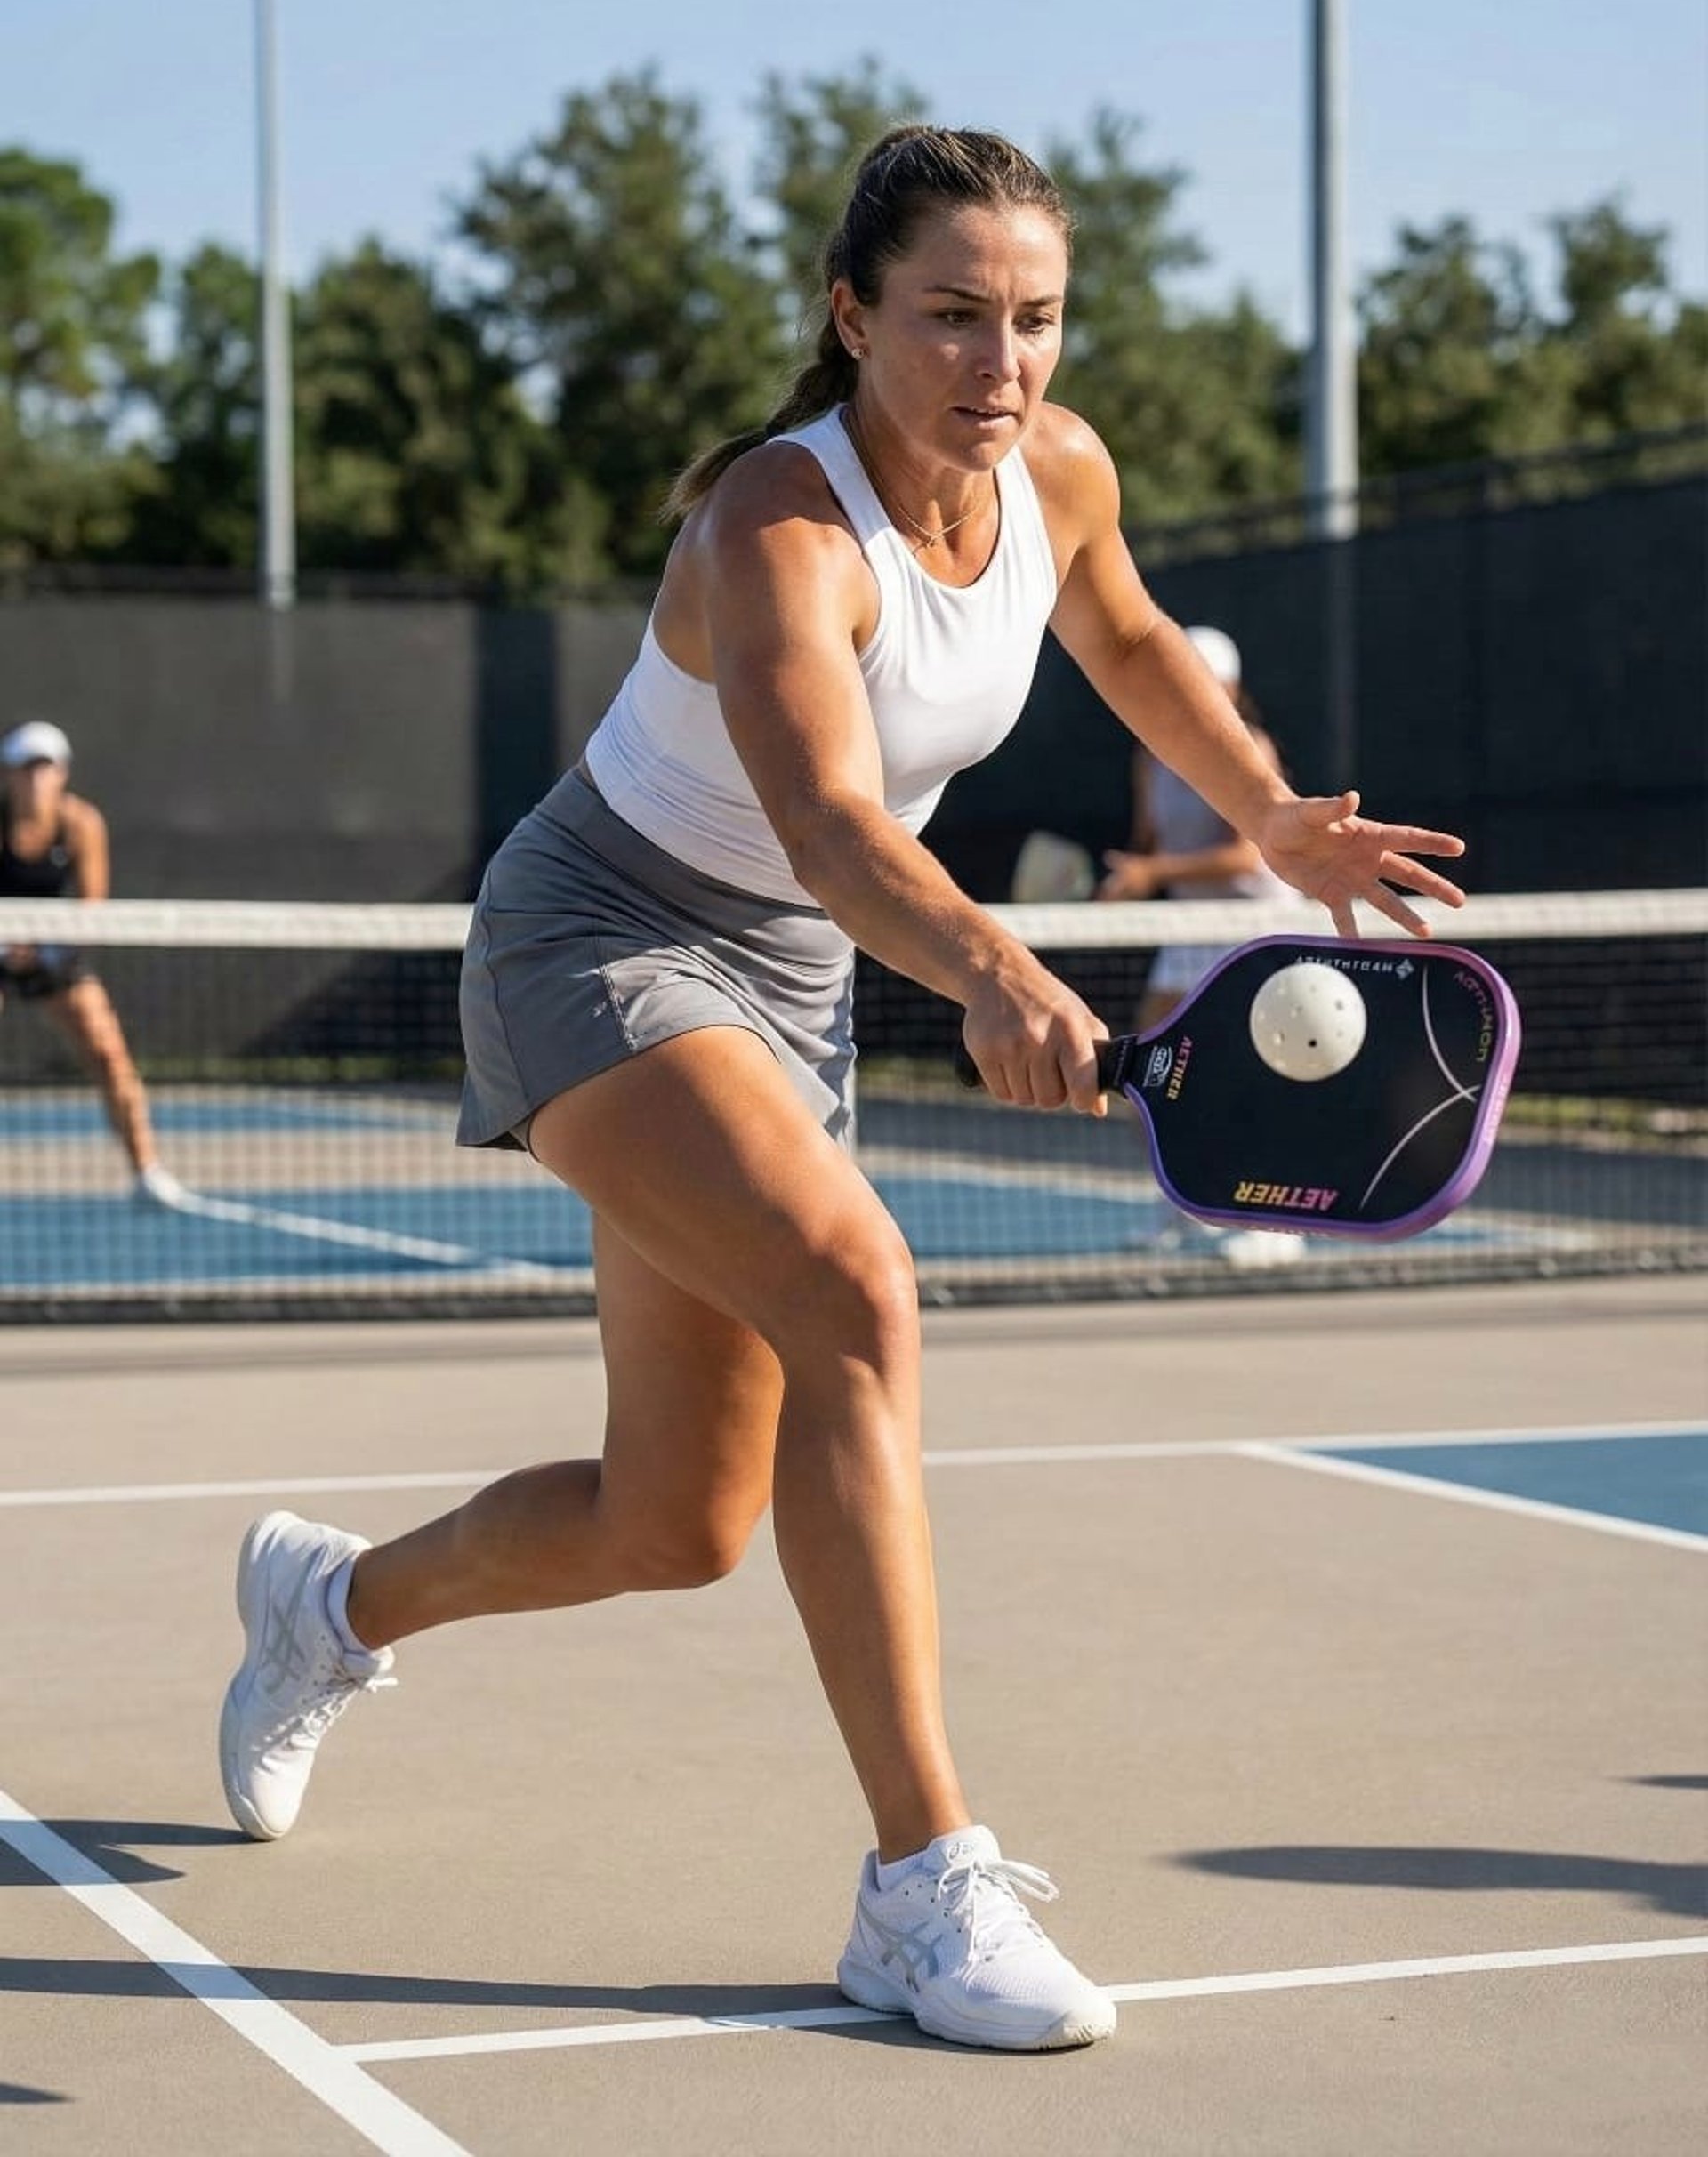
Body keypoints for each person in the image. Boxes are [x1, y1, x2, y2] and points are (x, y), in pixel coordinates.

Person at [217, 126, 1466, 2055]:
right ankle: (920, 1885)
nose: (1004, 362)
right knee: (859, 1291)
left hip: (793, 974)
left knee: (676, 1516)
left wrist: (1273, 816)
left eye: (1037, 318)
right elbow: (820, 814)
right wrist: (994, 965)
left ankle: (329, 1606)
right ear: (853, 314)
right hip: (599, 934)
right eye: (955, 316)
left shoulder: (1054, 468)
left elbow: (1121, 631)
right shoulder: (773, 527)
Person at [0, 720, 184, 1207]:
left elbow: (92, 910)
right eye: (25, 768)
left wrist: (43, 950)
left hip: (55, 954)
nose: (36, 778)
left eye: (46, 767)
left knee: (108, 1053)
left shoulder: (81, 824)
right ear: (8, 776)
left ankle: (147, 1172)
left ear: (63, 773)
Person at [1097, 624, 1302, 1025]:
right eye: (1178, 681)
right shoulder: (1148, 759)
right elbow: (1149, 845)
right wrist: (1124, 880)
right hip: (1192, 923)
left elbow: (1246, 857)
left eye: (1204, 682)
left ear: (1230, 690)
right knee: (1151, 1040)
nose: (1187, 693)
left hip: (1260, 921)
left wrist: (1153, 872)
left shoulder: (1252, 749)